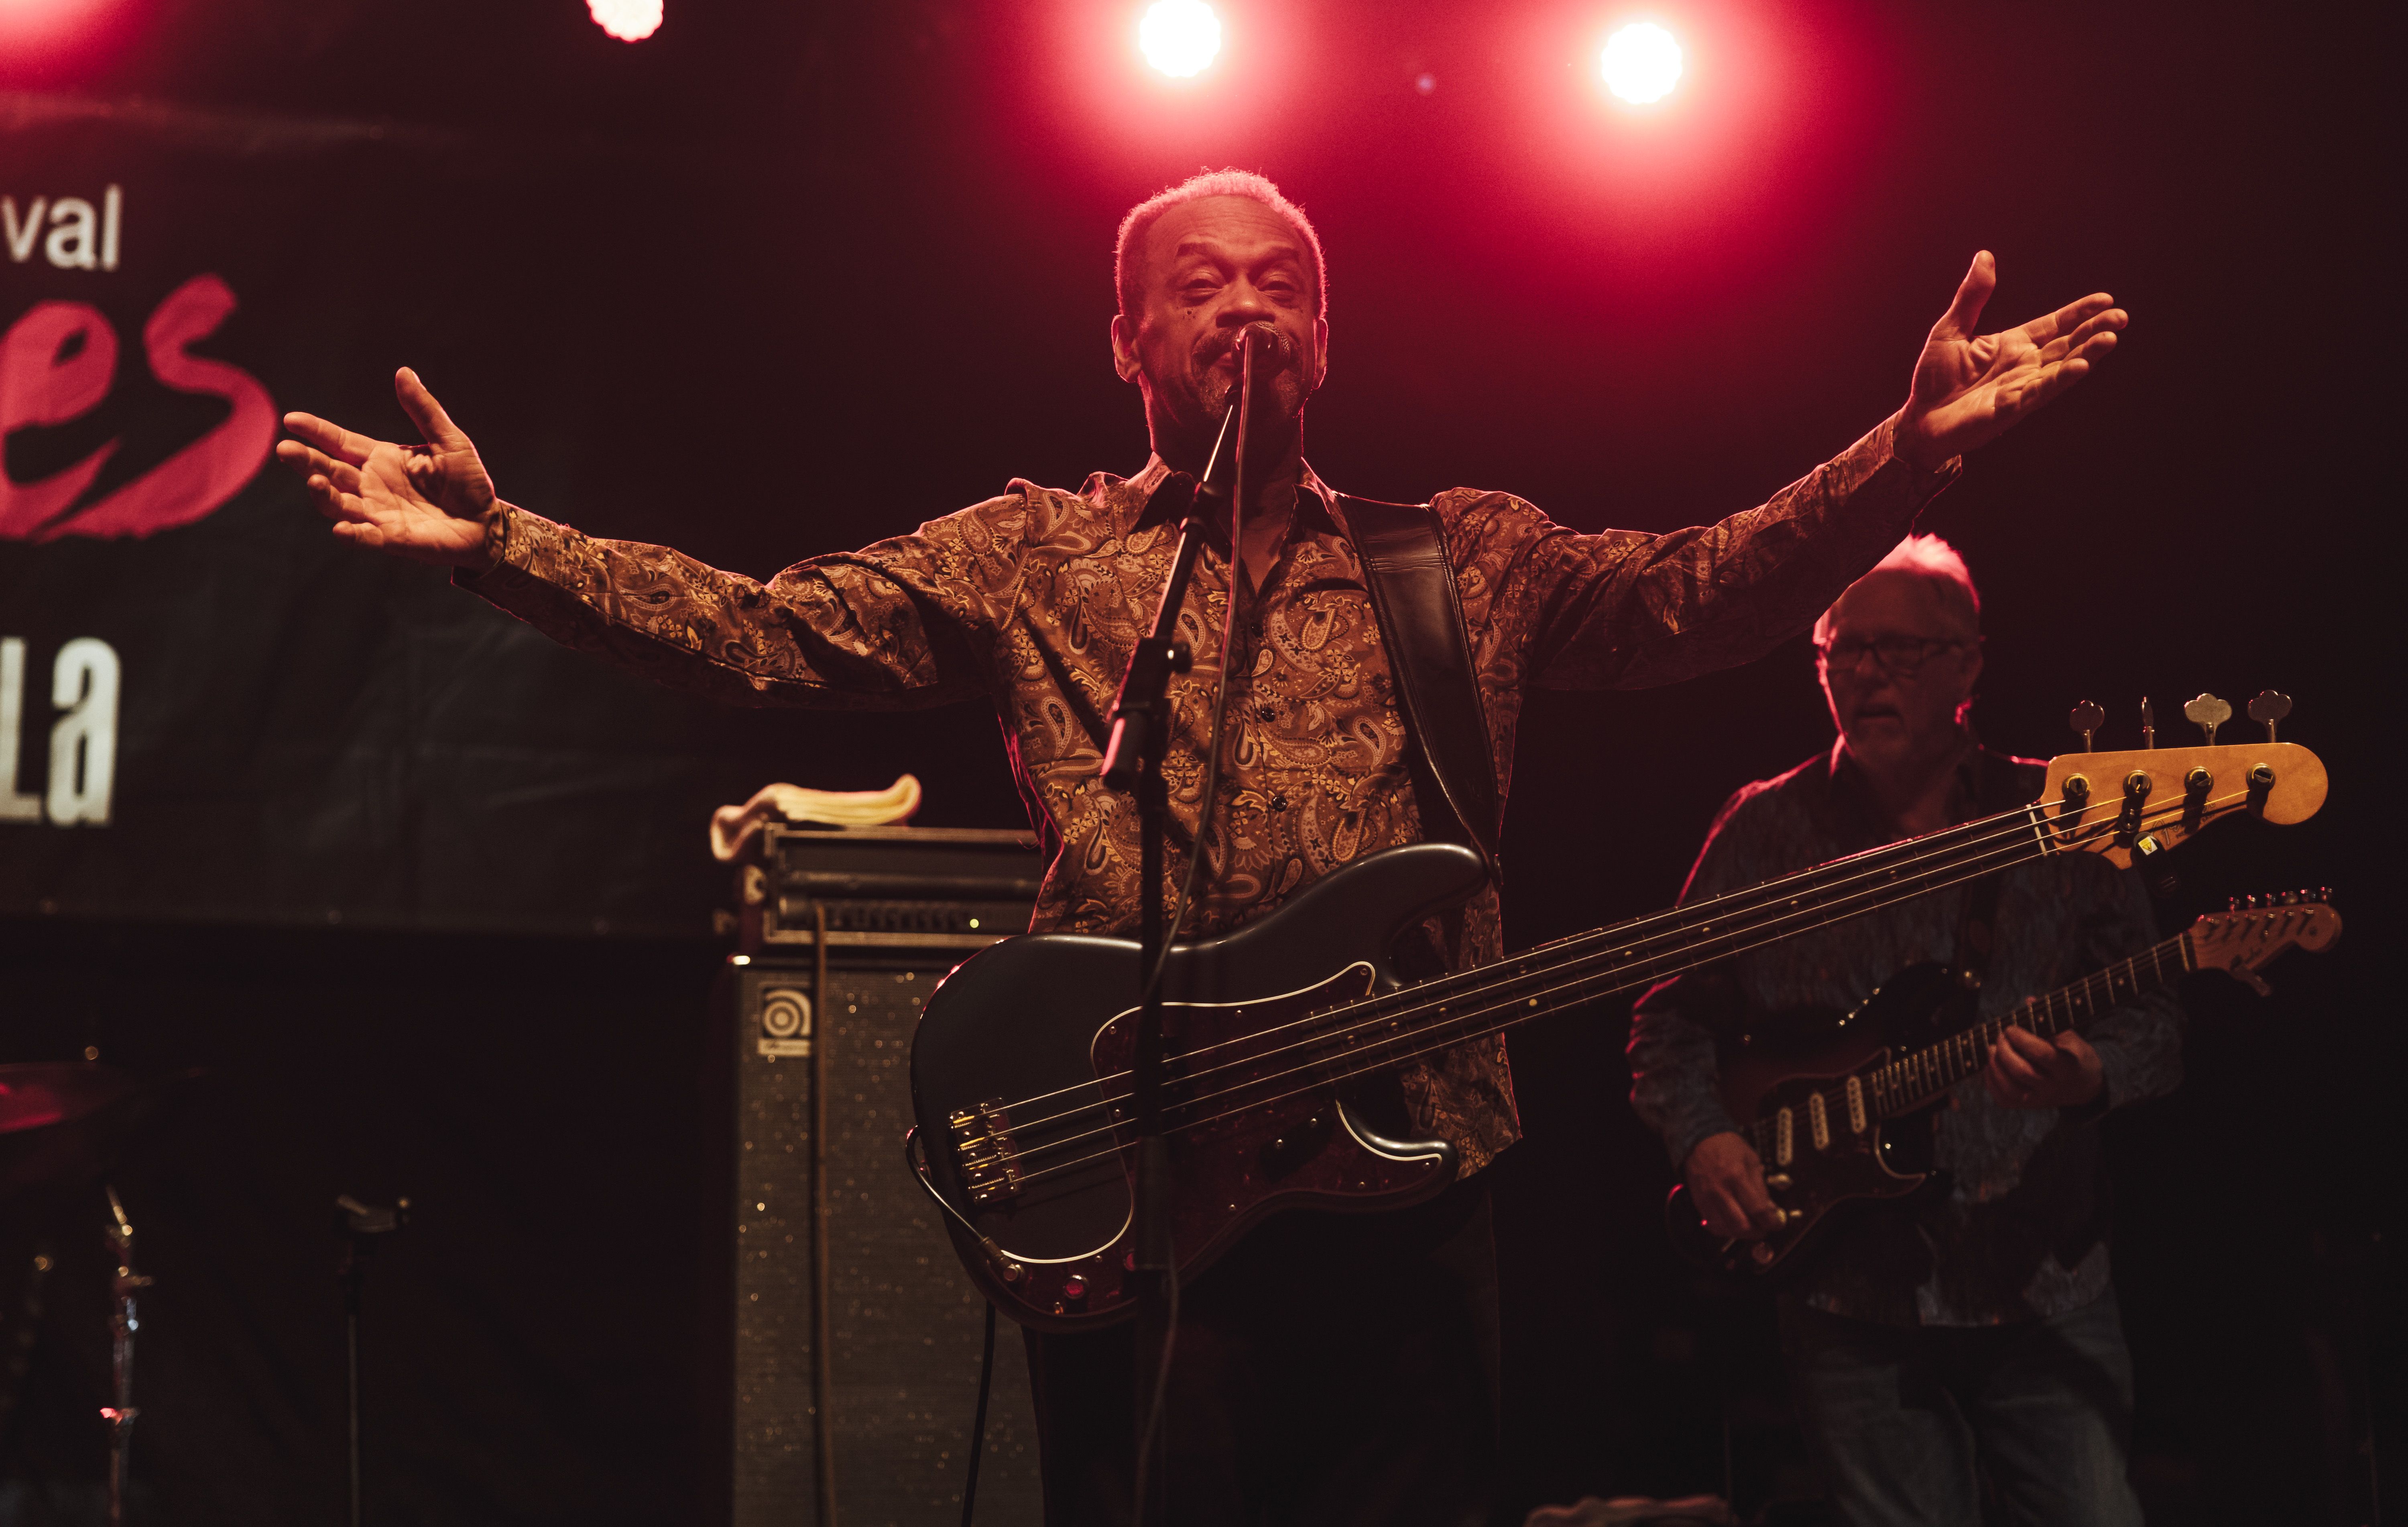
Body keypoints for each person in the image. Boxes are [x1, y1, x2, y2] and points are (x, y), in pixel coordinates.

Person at [276, 169, 2127, 1525]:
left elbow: (1696, 593)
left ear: (1325, 336)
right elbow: (768, 633)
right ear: (1127, 340)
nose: (1246, 307)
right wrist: (507, 546)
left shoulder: (1457, 556)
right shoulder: (1034, 554)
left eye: (1281, 283)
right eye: (1200, 282)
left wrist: (1899, 455)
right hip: (1139, 1169)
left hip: (1407, 1175)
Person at [1627, 535, 2178, 1527]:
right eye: (1848, 650)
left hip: (2041, 1281)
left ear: (1968, 666)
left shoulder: (2064, 814)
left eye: (1904, 650)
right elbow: (1670, 1018)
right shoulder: (1761, 829)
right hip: (1848, 1292)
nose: (1870, 672)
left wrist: (2089, 1070)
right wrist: (1702, 1138)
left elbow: (2157, 1019)